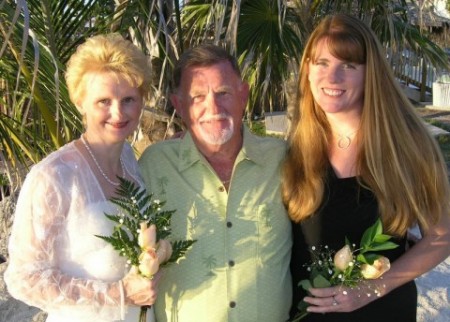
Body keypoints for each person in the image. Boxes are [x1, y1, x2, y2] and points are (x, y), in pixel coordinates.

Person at [283, 13, 450, 322]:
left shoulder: (406, 146)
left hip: (382, 313)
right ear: (307, 70)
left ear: (370, 73)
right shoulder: (294, 150)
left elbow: (441, 236)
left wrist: (370, 289)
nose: (332, 78)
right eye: (322, 63)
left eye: (348, 66)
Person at [5, 33, 159, 322]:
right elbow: (22, 279)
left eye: (128, 99)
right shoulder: (54, 177)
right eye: (103, 101)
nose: (118, 112)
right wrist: (117, 293)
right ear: (80, 102)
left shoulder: (131, 160)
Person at [138, 44, 292, 322]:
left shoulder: (280, 159)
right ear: (179, 105)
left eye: (223, 93)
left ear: (243, 96)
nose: (213, 107)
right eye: (198, 96)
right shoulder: (154, 164)